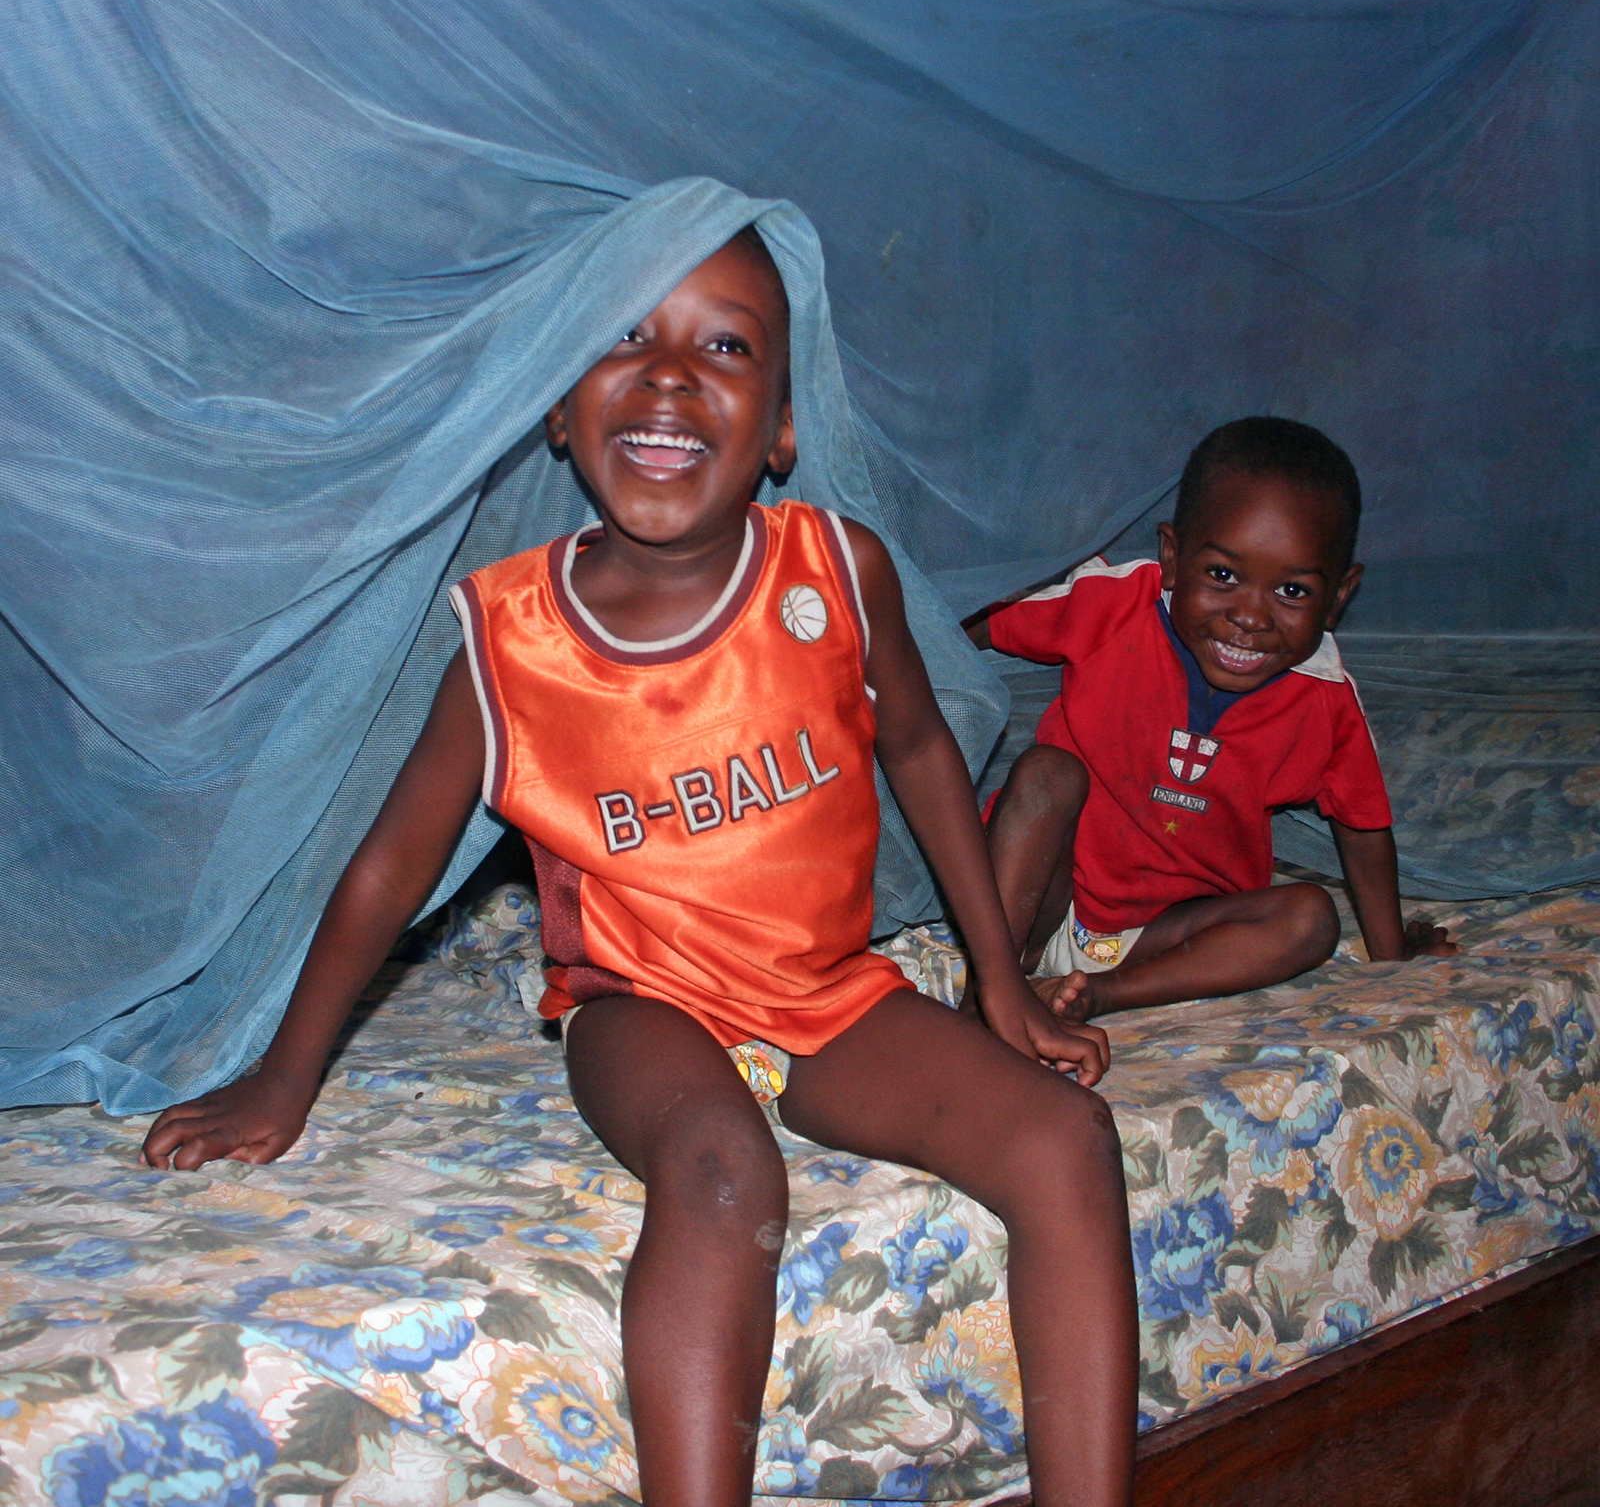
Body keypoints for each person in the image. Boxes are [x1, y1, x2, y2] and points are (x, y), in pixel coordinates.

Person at [143, 227, 1138, 1507]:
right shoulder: (512, 640)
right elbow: (390, 872)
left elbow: (921, 749)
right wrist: (285, 1075)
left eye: (725, 344)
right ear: (559, 411)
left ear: (782, 427)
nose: (669, 373)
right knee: (723, 1169)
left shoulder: (835, 575)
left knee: (1066, 1138)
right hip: (635, 1000)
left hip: (824, 990)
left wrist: (997, 981)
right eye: (624, 336)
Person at [968, 416, 1457, 1024]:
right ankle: (986, 1003)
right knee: (1046, 773)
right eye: (1223, 576)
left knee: (1310, 917)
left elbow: (1362, 828)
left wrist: (1391, 956)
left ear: (1338, 597)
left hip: (1171, 936)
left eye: (1293, 591)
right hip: (1041, 904)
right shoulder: (1112, 605)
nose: (1250, 616)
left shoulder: (1324, 698)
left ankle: (1098, 995)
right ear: (1173, 559)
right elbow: (972, 620)